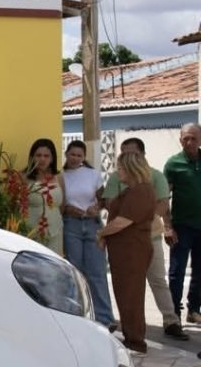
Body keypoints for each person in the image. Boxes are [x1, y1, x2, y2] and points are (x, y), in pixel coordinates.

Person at [102, 138, 189, 340]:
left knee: (156, 280)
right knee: (129, 287)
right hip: (124, 240)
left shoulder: (154, 177)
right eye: (123, 153)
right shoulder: (117, 178)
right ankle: (132, 330)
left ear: (141, 155)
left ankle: (171, 321)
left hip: (148, 237)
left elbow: (162, 204)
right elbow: (111, 203)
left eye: (131, 154)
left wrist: (142, 219)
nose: (126, 157)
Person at [97, 151, 156, 354]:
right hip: (123, 251)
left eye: (121, 168)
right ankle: (131, 337)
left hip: (132, 250)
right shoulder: (131, 190)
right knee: (125, 294)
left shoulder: (141, 191)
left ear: (131, 168)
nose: (118, 171)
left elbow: (123, 221)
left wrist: (101, 233)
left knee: (131, 295)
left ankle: (135, 341)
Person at [61, 140, 116, 329]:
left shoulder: (93, 174)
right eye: (72, 154)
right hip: (71, 224)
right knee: (74, 271)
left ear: (84, 157)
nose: (75, 158)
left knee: (97, 272)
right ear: (66, 154)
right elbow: (60, 203)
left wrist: (97, 207)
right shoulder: (61, 176)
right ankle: (76, 315)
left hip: (92, 224)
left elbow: (103, 199)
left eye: (79, 155)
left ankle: (105, 317)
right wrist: (68, 209)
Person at [165, 123, 201, 325]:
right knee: (177, 271)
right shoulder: (173, 164)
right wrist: (167, 226)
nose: (190, 142)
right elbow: (164, 198)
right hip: (182, 226)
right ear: (180, 140)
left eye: (194, 138)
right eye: (186, 138)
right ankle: (174, 315)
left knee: (200, 271)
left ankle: (194, 309)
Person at [24, 138, 64, 254]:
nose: (42, 159)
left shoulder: (59, 177)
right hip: (30, 232)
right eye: (38, 155)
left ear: (52, 158)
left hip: (55, 230)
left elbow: (63, 205)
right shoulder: (24, 177)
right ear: (32, 157)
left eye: (46, 156)